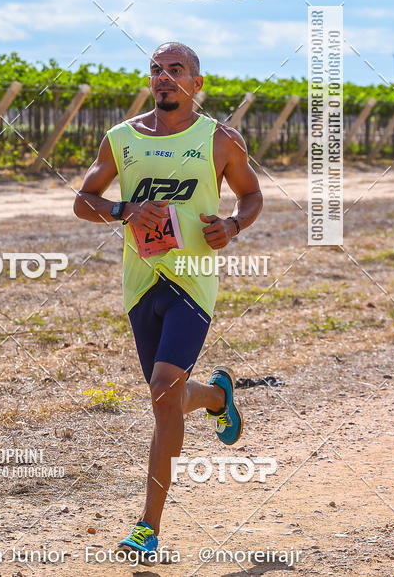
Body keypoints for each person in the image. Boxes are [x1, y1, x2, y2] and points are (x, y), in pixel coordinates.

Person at [72, 41, 263, 559]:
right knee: (169, 399)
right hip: (140, 284)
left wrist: (233, 224)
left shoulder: (220, 139)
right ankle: (220, 396)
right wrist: (124, 211)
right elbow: (83, 200)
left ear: (197, 83)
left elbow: (251, 194)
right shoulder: (122, 139)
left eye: (175, 70)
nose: (164, 77)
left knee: (161, 388)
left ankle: (147, 528)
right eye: (156, 70)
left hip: (194, 280)